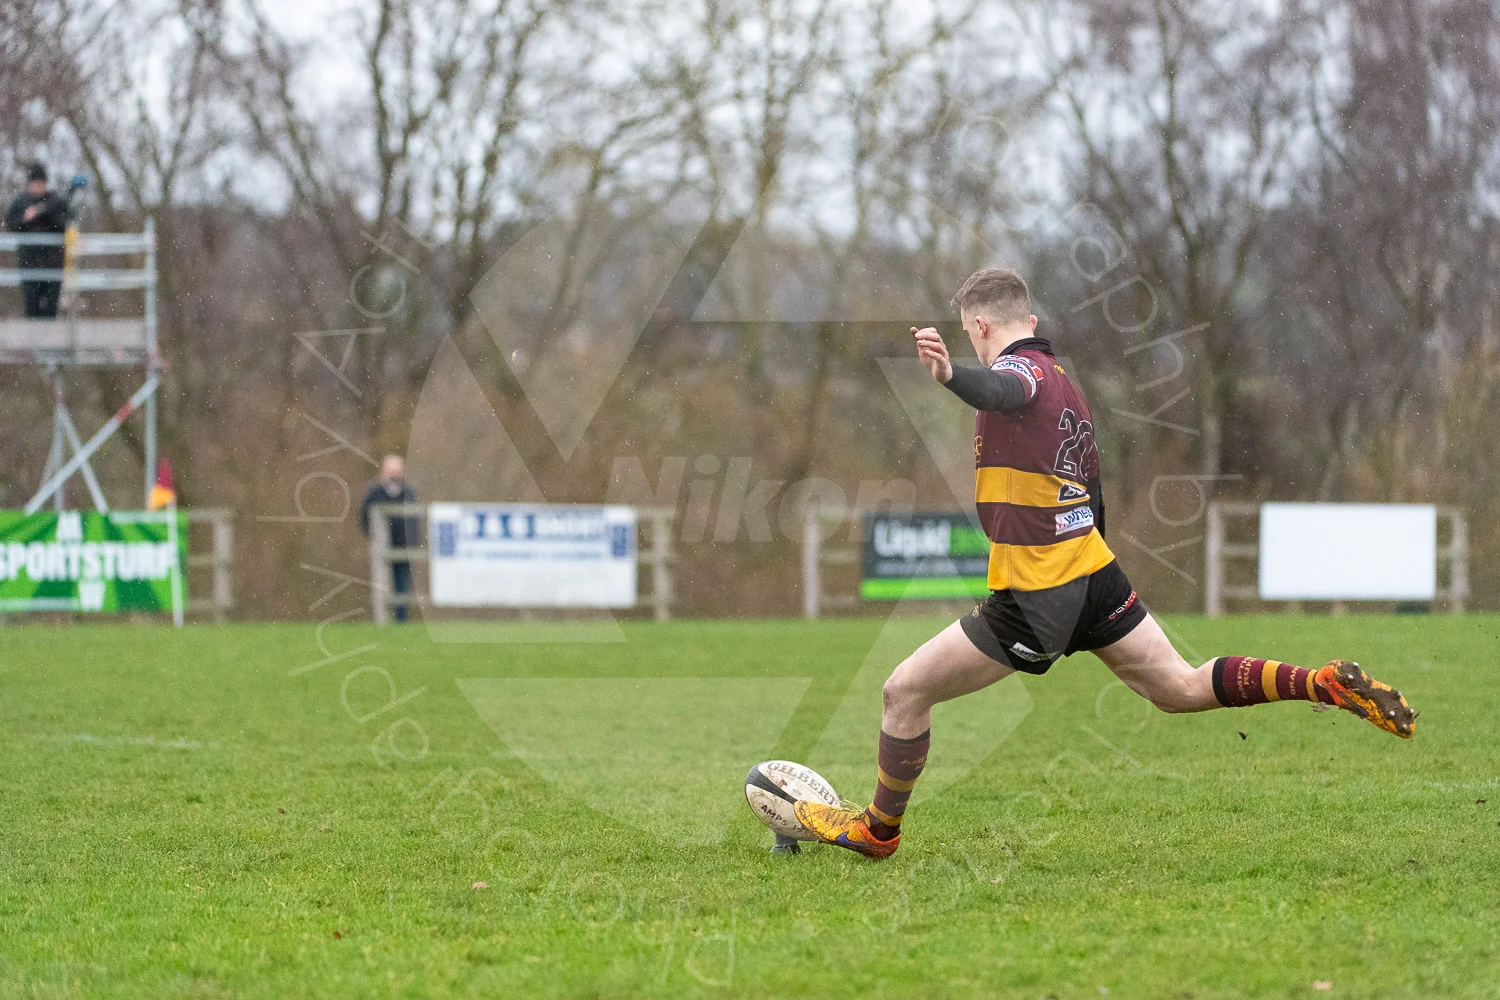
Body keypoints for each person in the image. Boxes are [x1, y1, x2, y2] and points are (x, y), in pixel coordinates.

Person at [794, 268, 1417, 860]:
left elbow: (1000, 388)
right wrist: (1085, 586)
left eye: (967, 333)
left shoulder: (1024, 374)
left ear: (981, 326)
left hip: (1038, 595)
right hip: (1091, 571)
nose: (971, 346)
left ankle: (878, 832)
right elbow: (1092, 490)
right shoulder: (1066, 384)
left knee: (903, 692)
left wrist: (948, 375)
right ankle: (1321, 683)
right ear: (1028, 317)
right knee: (1178, 687)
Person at [4, 163, 69, 318]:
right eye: (35, 184)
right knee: (31, 308)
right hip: (29, 262)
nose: (38, 188)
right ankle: (33, 340)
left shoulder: (55, 201)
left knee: (51, 309)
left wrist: (45, 212)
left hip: (53, 263)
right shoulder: (20, 202)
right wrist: (25, 219)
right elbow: (10, 224)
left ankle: (51, 340)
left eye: (41, 184)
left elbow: (63, 225)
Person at [360, 455, 420, 622]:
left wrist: (413, 542)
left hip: (403, 548)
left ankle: (402, 622)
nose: (395, 474)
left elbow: (415, 519)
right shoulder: (374, 492)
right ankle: (381, 622)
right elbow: (363, 516)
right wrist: (373, 537)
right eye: (391, 470)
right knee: (380, 586)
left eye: (397, 470)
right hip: (381, 548)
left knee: (402, 586)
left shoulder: (408, 492)